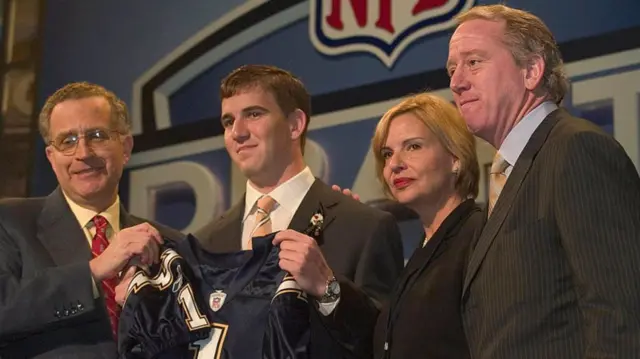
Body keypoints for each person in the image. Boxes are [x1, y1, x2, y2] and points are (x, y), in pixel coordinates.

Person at [447, 4, 640, 358]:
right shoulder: (506, 173)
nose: (457, 82)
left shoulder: (577, 150)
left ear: (532, 71)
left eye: (474, 62)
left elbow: (623, 316)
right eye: (452, 68)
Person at [195, 64, 405, 358]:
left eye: (254, 114)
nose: (237, 132)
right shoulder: (206, 243)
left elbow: (387, 343)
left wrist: (328, 290)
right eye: (228, 121)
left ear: (295, 124)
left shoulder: (363, 227)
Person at [0, 82, 184, 358]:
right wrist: (95, 270)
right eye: (67, 141)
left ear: (126, 147)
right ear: (51, 157)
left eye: (97, 136)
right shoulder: (10, 221)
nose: (83, 153)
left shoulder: (169, 243)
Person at [341, 93, 479, 358]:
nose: (395, 164)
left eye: (413, 147)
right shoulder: (421, 253)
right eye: (387, 153)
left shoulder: (481, 233)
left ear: (455, 157)